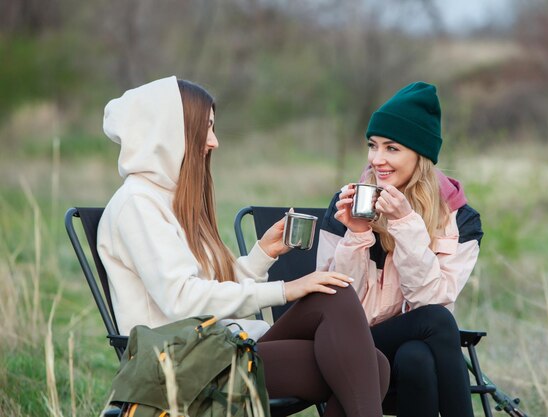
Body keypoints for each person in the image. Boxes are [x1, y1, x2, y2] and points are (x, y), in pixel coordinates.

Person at [97, 76, 389, 417]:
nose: (214, 141)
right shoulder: (138, 204)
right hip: (181, 363)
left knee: (355, 334)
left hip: (217, 347)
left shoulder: (171, 200)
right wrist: (286, 290)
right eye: (204, 128)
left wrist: (260, 256)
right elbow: (182, 300)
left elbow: (207, 287)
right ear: (170, 133)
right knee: (366, 362)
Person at [316, 82, 483, 417]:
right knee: (436, 322)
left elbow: (430, 300)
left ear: (420, 155)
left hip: (405, 345)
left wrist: (406, 224)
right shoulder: (348, 204)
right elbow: (333, 299)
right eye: (373, 146)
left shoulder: (460, 219)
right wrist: (358, 233)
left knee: (416, 358)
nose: (377, 159)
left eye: (392, 148)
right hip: (343, 341)